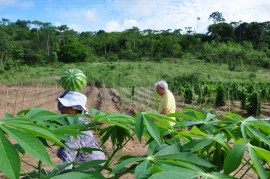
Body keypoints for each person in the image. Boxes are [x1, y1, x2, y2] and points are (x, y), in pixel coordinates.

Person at [56, 91, 105, 170]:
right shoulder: (79, 122)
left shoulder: (77, 128)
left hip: (89, 166)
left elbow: (68, 157)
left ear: (72, 109)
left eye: (64, 105)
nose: (60, 108)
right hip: (92, 162)